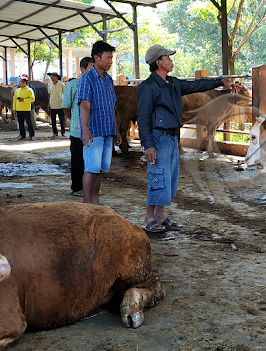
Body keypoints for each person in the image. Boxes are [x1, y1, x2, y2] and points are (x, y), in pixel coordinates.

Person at [137, 44, 241, 233]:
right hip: (157, 138)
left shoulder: (173, 83)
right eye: (167, 57)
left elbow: (196, 85)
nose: (171, 60)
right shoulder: (148, 87)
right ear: (158, 62)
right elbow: (142, 118)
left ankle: (159, 216)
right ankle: (148, 217)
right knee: (157, 177)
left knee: (168, 178)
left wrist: (220, 82)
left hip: (171, 138)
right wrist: (148, 144)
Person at [78, 41, 122, 205]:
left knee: (98, 170)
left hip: (107, 131)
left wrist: (116, 130)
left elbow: (112, 107)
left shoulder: (108, 80)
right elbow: (85, 106)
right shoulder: (86, 79)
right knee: (90, 169)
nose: (111, 61)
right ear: (96, 58)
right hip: (94, 132)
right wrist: (85, 130)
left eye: (112, 58)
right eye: (108, 58)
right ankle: (88, 204)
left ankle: (95, 202)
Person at [62, 57, 93, 197]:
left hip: (94, 129)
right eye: (91, 67)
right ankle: (77, 187)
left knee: (92, 160)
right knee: (78, 159)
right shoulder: (73, 85)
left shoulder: (97, 84)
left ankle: (91, 188)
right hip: (77, 129)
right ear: (82, 69)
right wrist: (73, 119)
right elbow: (66, 106)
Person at [13, 77, 36, 141]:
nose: (19, 83)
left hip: (26, 109)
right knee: (21, 123)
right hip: (19, 109)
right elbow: (14, 100)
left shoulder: (29, 90)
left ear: (25, 83)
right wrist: (14, 109)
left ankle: (32, 135)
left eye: (21, 82)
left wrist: (24, 100)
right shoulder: (17, 90)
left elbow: (33, 99)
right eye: (19, 82)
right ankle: (22, 135)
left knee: (29, 123)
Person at [47, 72, 66, 138]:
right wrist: (49, 104)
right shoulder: (49, 84)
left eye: (52, 76)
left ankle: (63, 132)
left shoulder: (61, 84)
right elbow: (49, 94)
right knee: (53, 120)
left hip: (60, 104)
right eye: (51, 76)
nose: (51, 78)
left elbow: (65, 93)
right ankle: (55, 133)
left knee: (62, 119)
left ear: (56, 77)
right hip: (52, 104)